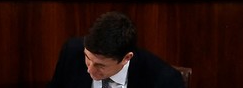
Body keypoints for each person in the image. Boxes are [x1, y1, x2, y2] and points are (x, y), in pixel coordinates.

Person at [48, 11, 184, 88]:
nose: (90, 69)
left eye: (100, 65)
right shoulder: (72, 52)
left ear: (126, 58)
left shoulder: (164, 80)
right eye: (88, 58)